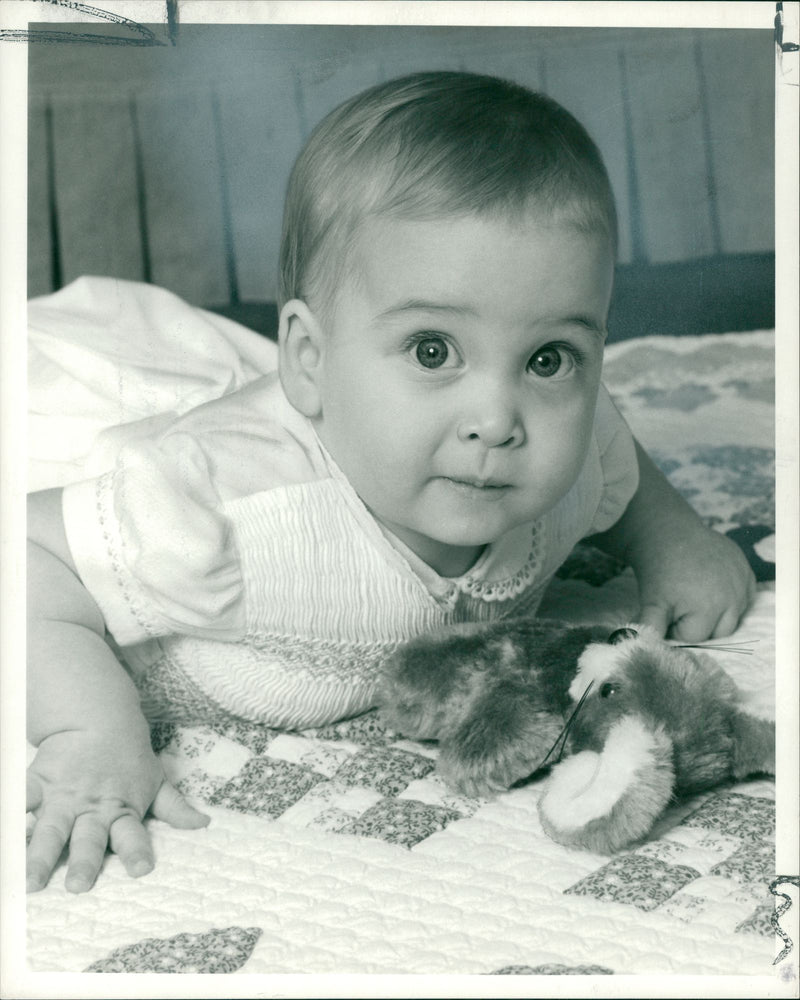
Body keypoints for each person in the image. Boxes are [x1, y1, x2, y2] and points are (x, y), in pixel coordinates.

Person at [26, 71, 755, 895]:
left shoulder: (563, 458)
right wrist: (88, 729)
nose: (499, 419)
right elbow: (28, 560)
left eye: (547, 358)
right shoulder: (231, 512)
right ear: (310, 360)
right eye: (433, 350)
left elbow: (607, 431)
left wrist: (668, 534)